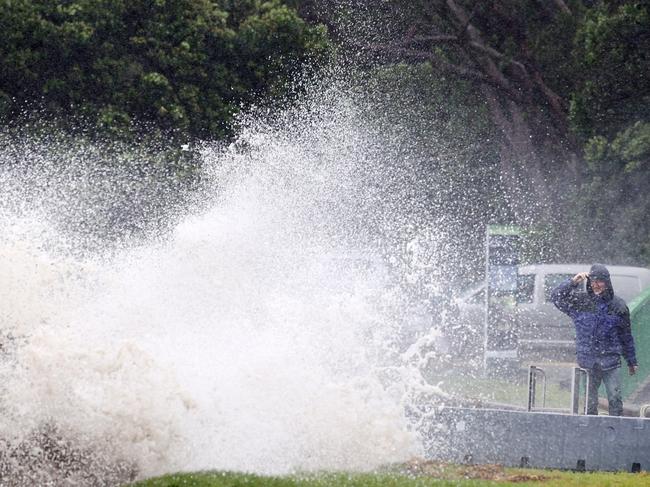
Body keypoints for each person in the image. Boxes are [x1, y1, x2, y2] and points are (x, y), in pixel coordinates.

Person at [551, 263, 638, 416]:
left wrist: (631, 361)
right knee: (590, 403)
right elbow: (556, 297)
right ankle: (592, 431)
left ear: (607, 282)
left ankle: (616, 429)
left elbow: (626, 336)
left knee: (615, 398)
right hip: (588, 362)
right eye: (593, 281)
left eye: (600, 281)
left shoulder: (619, 306)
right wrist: (573, 282)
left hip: (611, 361)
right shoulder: (580, 302)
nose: (596, 285)